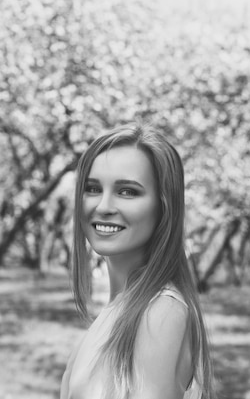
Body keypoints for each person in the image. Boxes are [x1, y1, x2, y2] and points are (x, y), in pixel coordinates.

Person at [60, 124, 215, 399]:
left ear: (164, 206)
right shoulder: (121, 307)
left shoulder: (160, 312)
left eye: (127, 191)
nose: (103, 206)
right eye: (93, 188)